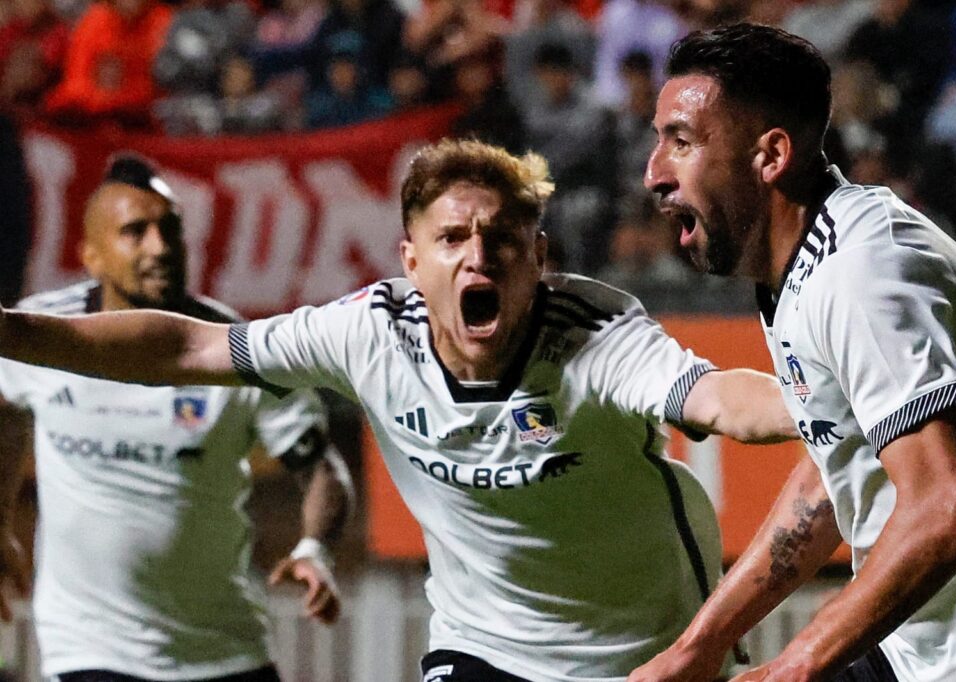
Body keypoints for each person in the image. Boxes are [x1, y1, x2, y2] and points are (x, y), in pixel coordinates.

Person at [0, 139, 797, 682]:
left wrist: (835, 402)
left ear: (540, 262)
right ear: (412, 262)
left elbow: (723, 400)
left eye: (503, 239)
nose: (478, 256)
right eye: (452, 239)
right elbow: (186, 351)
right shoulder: (367, 333)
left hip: (649, 651)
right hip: (483, 650)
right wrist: (8, 333)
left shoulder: (595, 333)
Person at [633, 23, 956, 682]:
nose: (654, 174)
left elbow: (944, 511)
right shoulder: (804, 264)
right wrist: (699, 644)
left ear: (770, 155)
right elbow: (839, 463)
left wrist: (797, 665)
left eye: (682, 141)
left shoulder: (860, 271)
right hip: (926, 652)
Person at [0, 156, 354, 682]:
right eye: (134, 232)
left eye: (170, 230)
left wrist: (314, 547)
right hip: (91, 653)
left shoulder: (238, 350)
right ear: (91, 255)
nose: (159, 248)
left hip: (227, 652)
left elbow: (323, 469)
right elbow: (6, 416)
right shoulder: (43, 337)